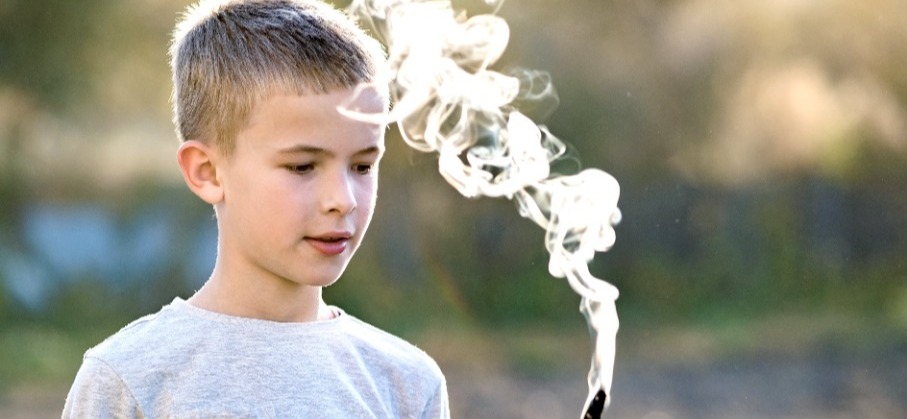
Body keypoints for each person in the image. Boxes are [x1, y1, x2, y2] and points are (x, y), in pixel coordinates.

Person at [62, 0, 450, 417]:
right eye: (303, 166)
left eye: (362, 165)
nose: (343, 199)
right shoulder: (129, 381)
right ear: (208, 172)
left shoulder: (407, 385)